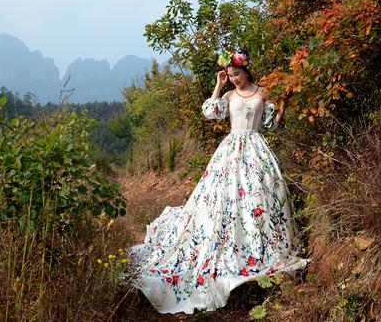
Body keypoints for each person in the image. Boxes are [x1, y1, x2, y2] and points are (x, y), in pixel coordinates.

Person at [126, 49, 310, 314]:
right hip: (230, 151)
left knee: (258, 199)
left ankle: (257, 251)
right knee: (222, 202)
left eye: (237, 74)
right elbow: (210, 112)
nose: (234, 79)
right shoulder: (229, 94)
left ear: (246, 71)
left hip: (256, 150)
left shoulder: (263, 92)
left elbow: (275, 124)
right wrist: (218, 85)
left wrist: (286, 103)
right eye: (231, 75)